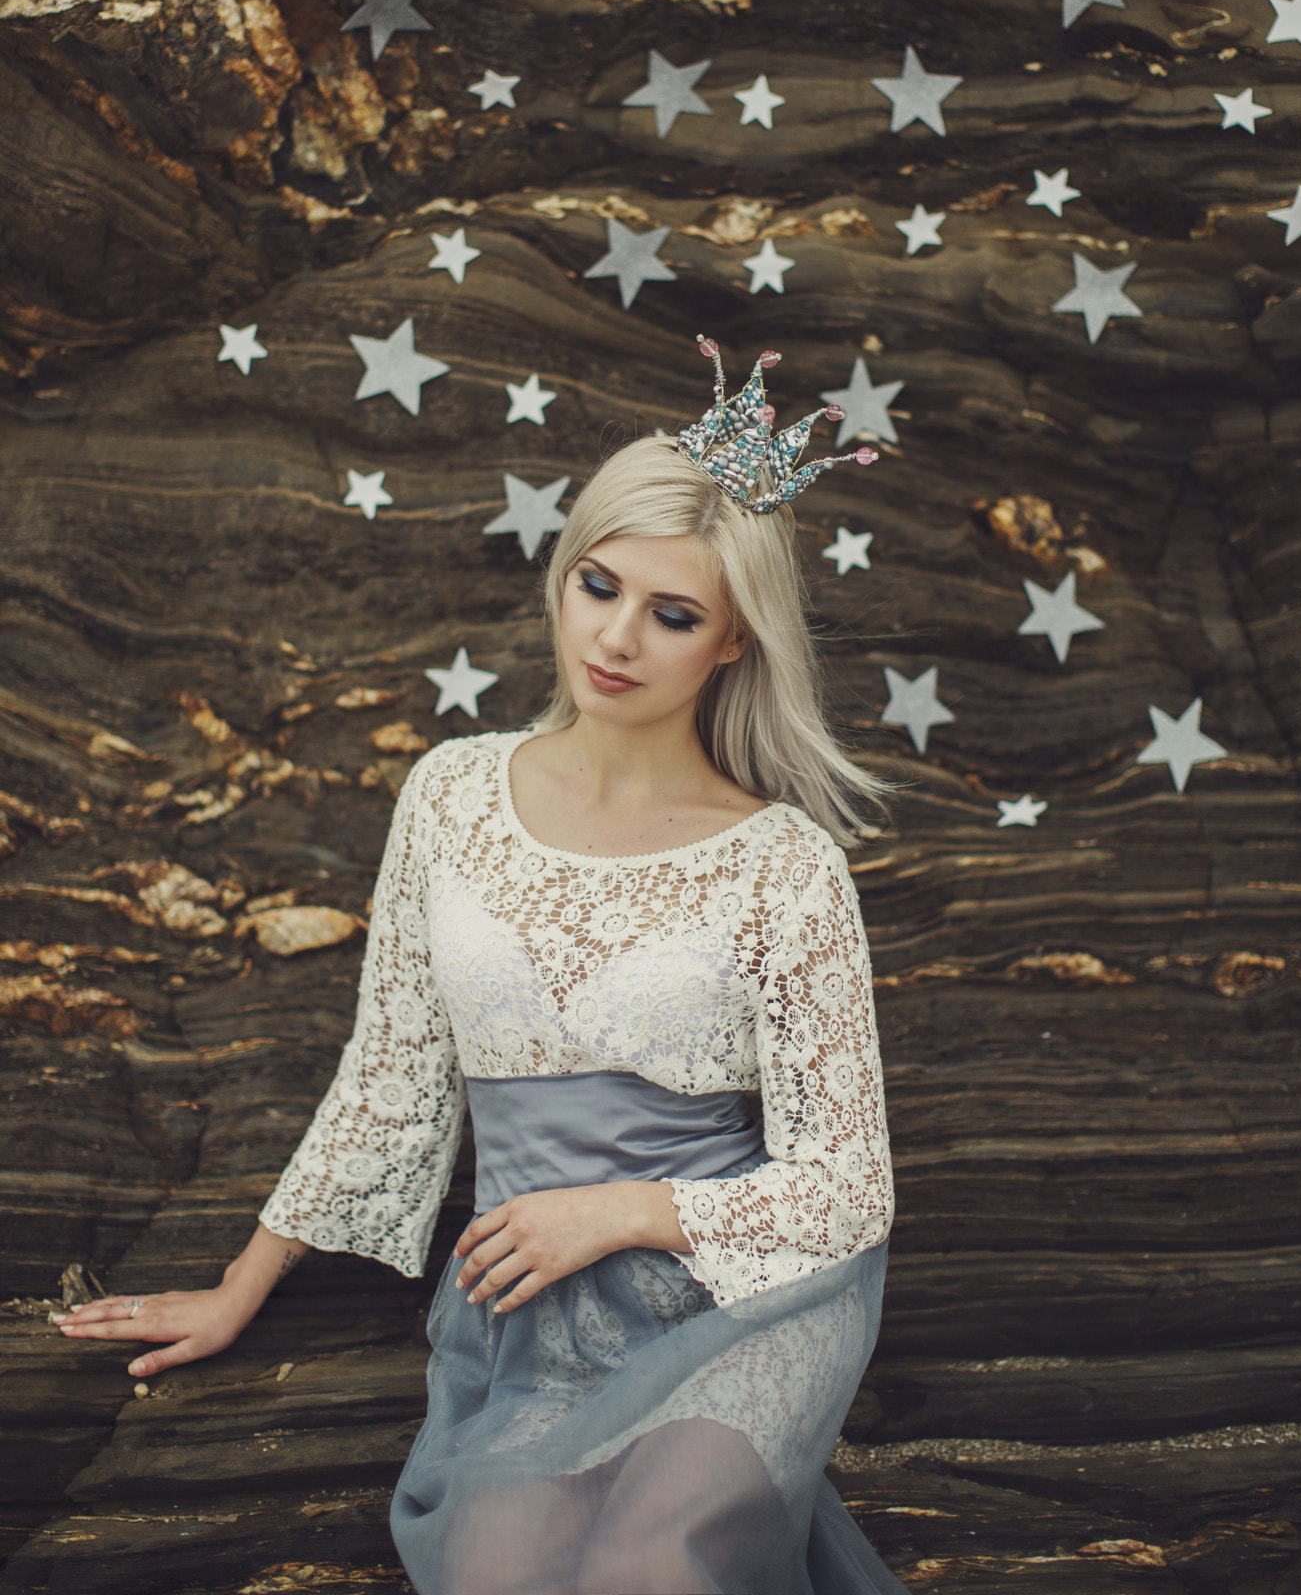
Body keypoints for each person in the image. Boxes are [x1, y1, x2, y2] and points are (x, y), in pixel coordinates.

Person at [53, 336, 904, 1595]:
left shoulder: (786, 862)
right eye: (597, 584)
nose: (616, 637)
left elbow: (849, 1186)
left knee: (651, 1568)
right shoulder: (452, 792)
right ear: (562, 576)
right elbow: (392, 1072)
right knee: (500, 1573)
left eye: (672, 614)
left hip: (737, 1301)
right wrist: (240, 1287)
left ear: (732, 642)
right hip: (530, 1318)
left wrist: (614, 1211)